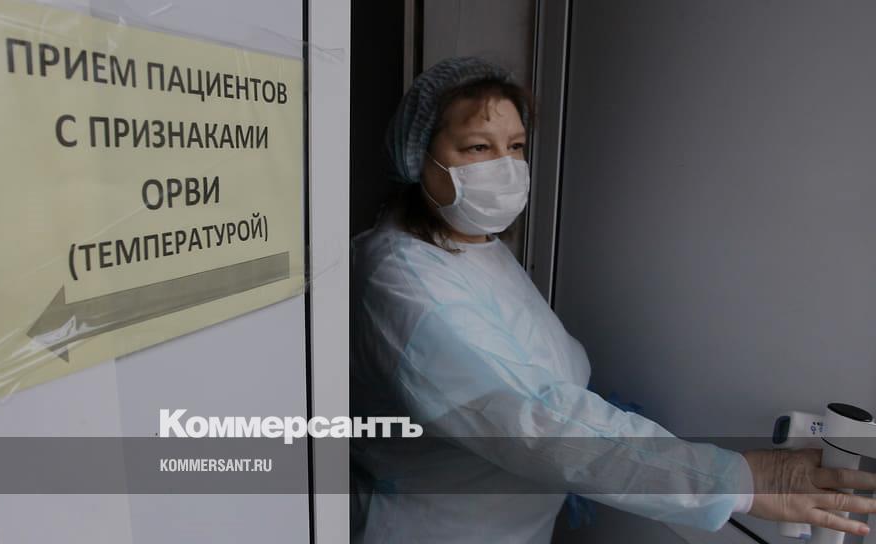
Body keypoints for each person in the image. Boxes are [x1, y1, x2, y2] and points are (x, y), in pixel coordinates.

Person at [349, 56, 876, 543]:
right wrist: (734, 480)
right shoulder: (402, 279)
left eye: (516, 146)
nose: (505, 168)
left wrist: (602, 431)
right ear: (418, 157)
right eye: (477, 148)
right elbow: (530, 417)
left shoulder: (472, 246)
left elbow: (523, 374)